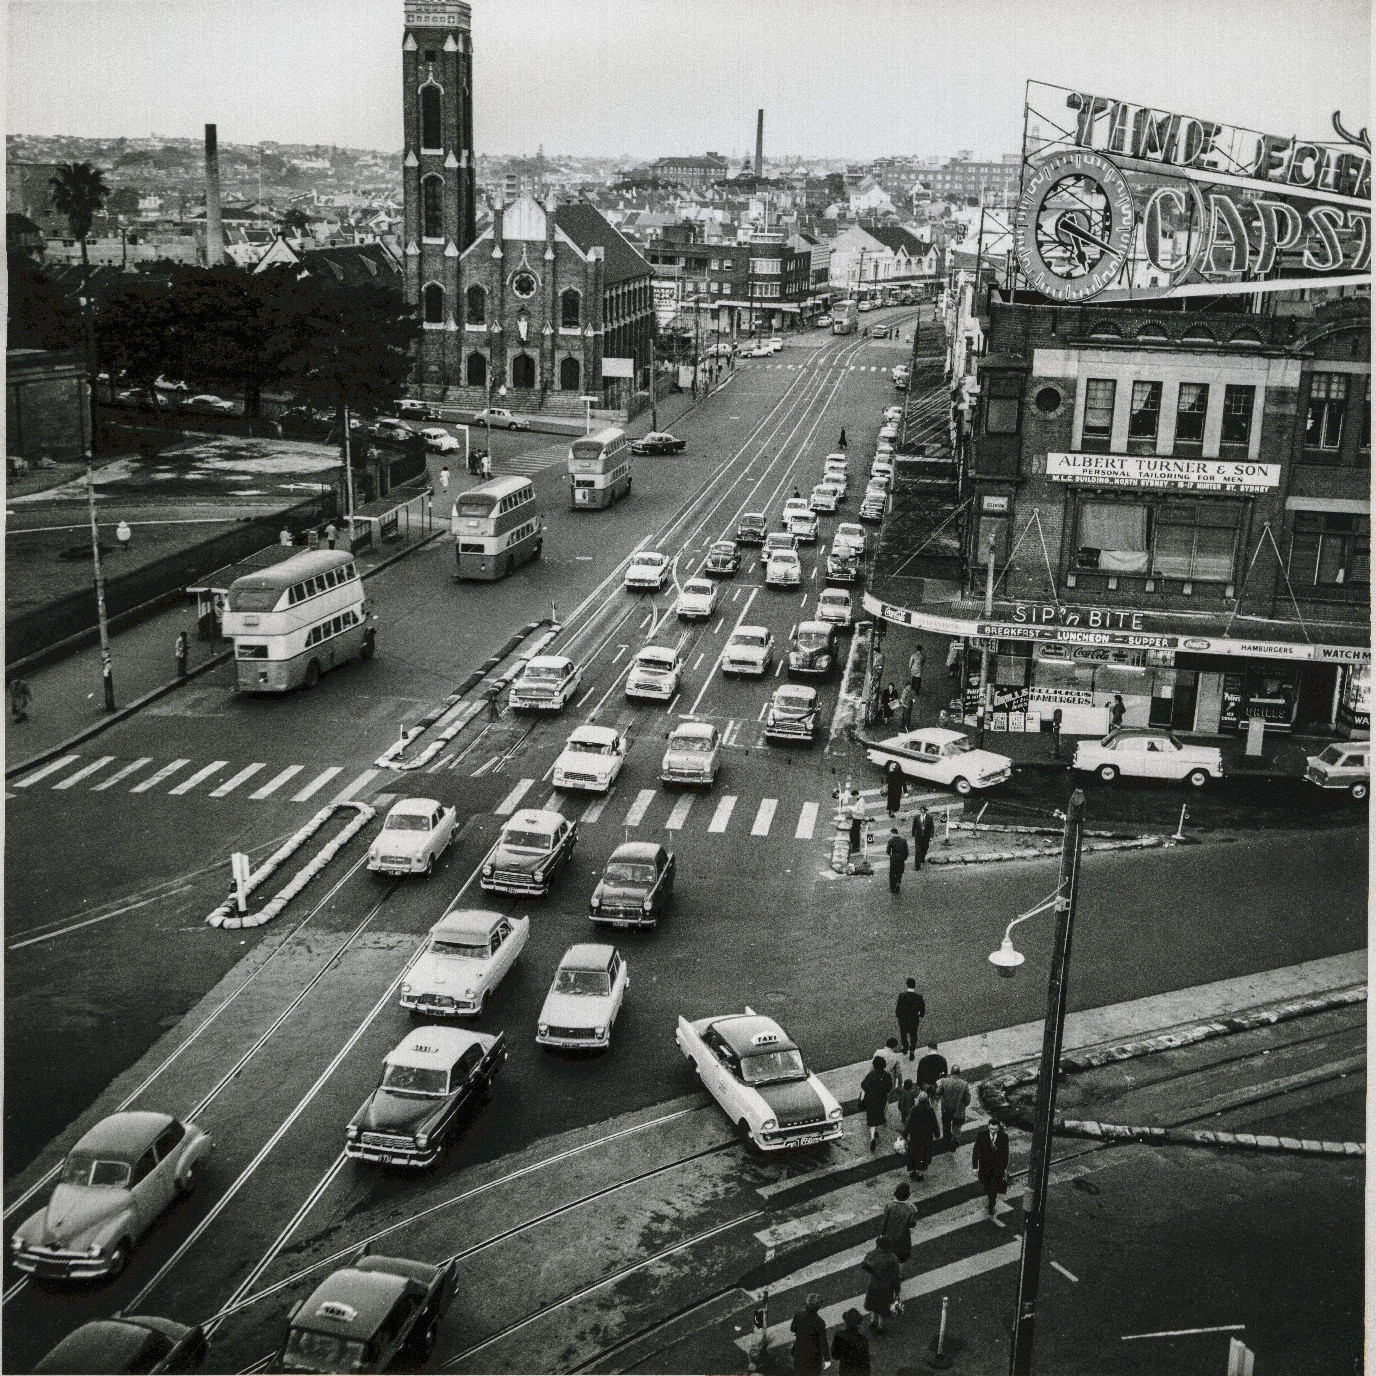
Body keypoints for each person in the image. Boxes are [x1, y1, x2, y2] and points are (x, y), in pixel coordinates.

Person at [861, 1236, 900, 1332]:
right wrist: (897, 1290)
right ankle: (880, 1326)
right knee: (882, 1306)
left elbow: (864, 1265)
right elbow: (896, 1276)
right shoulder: (892, 1257)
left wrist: (872, 1272)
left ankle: (872, 1321)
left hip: (873, 1284)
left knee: (874, 1303)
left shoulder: (872, 1254)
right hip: (886, 1286)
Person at [972, 1119, 1010, 1214]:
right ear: (988, 1126)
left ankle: (991, 1204)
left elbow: (1005, 1154)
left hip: (997, 1168)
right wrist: (975, 1167)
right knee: (986, 1183)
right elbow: (976, 1151)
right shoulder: (982, 1136)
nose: (993, 1131)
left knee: (993, 1188)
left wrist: (1005, 1168)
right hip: (985, 1167)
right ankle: (990, 1194)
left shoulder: (1004, 1137)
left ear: (998, 1129)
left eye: (995, 1129)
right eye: (991, 1129)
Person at [859, 1055, 893, 1152]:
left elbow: (863, 1085)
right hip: (881, 1099)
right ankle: (877, 1130)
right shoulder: (887, 1075)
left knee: (871, 1118)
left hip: (870, 1099)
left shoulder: (871, 1075)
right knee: (879, 1113)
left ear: (874, 1065)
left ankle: (873, 1137)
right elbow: (889, 1088)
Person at [790, 1294, 830, 1376]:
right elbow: (823, 1343)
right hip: (813, 1358)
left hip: (799, 1353)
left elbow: (793, 1329)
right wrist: (827, 1359)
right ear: (818, 1307)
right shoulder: (819, 1322)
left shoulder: (798, 1315)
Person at [905, 1088, 939, 1180]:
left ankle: (914, 1171)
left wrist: (904, 1134)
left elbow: (909, 1124)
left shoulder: (914, 1110)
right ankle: (920, 1173)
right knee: (923, 1154)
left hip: (915, 1136)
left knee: (914, 1153)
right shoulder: (930, 1110)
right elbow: (934, 1123)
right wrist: (937, 1133)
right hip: (926, 1137)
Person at [880, 1183, 917, 1265]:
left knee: (889, 1255)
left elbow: (885, 1222)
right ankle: (899, 1274)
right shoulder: (911, 1208)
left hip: (890, 1235)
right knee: (901, 1259)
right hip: (903, 1237)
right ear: (907, 1195)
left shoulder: (889, 1205)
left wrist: (883, 1234)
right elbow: (912, 1224)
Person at [937, 1068, 972, 1150]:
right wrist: (963, 1106)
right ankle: (955, 1143)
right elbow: (968, 1099)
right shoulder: (964, 1084)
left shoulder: (944, 1081)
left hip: (946, 1109)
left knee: (946, 1126)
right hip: (958, 1110)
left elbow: (938, 1092)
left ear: (951, 1072)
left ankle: (946, 1143)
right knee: (957, 1128)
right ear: (959, 1073)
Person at [830, 1309, 870, 1376]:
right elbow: (865, 1361)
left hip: (844, 1369)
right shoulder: (862, 1339)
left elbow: (834, 1355)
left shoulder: (838, 1335)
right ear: (858, 1323)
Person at [895, 978, 925, 1057]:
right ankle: (912, 1049)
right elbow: (922, 1009)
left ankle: (905, 1048)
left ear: (907, 985)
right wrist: (920, 1015)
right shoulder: (919, 997)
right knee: (913, 1035)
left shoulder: (902, 996)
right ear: (914, 985)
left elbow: (898, 1009)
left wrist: (899, 1017)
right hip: (914, 1019)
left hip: (903, 1020)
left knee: (903, 1035)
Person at [885, 828, 909, 894]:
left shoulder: (891, 841)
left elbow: (888, 851)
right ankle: (898, 882)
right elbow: (906, 852)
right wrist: (903, 858)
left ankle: (893, 888)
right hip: (901, 859)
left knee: (892, 873)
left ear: (893, 833)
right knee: (899, 872)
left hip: (894, 859)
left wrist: (891, 855)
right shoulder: (904, 840)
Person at [911, 806, 934, 871]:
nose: (922, 812)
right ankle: (917, 866)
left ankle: (922, 858)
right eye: (921, 811)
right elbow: (914, 826)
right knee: (918, 851)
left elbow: (932, 827)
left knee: (925, 848)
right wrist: (913, 833)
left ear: (926, 811)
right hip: (918, 837)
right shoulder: (917, 817)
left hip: (926, 837)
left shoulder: (929, 818)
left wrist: (931, 836)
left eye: (924, 811)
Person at [847, 789, 866, 855]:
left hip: (858, 819)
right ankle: (854, 846)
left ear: (856, 795)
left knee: (854, 833)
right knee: (854, 833)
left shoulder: (861, 801)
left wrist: (853, 810)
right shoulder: (859, 800)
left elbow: (861, 812)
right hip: (856, 818)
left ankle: (855, 847)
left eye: (854, 796)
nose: (854, 798)